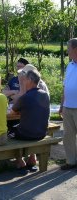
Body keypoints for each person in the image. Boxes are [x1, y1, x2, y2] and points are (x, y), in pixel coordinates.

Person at [8, 68, 50, 173]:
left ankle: (20, 161)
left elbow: (12, 112)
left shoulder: (25, 97)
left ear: (30, 81)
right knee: (28, 125)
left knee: (9, 132)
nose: (23, 81)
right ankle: (32, 158)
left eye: (25, 79)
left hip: (26, 134)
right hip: (42, 133)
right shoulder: (45, 95)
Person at [59, 38, 77, 170]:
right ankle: (71, 161)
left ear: (75, 49)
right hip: (67, 106)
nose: (67, 51)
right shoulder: (70, 65)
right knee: (67, 136)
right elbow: (65, 86)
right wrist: (61, 104)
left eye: (68, 48)